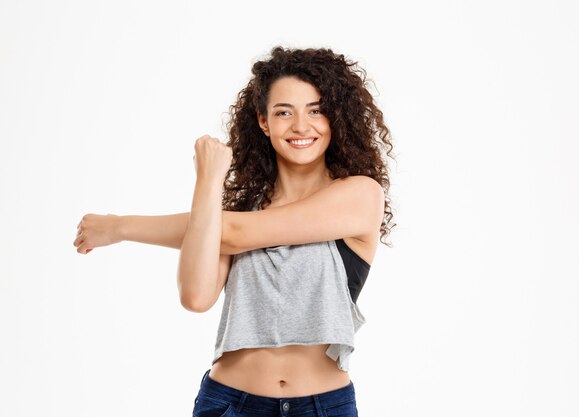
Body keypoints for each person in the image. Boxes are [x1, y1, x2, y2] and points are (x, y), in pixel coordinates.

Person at [73, 45, 396, 417]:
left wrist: (121, 226)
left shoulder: (359, 195)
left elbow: (233, 232)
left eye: (316, 111)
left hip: (323, 406)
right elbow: (196, 297)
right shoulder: (239, 209)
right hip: (229, 402)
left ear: (335, 117)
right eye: (283, 112)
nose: (301, 126)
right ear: (263, 122)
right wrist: (208, 183)